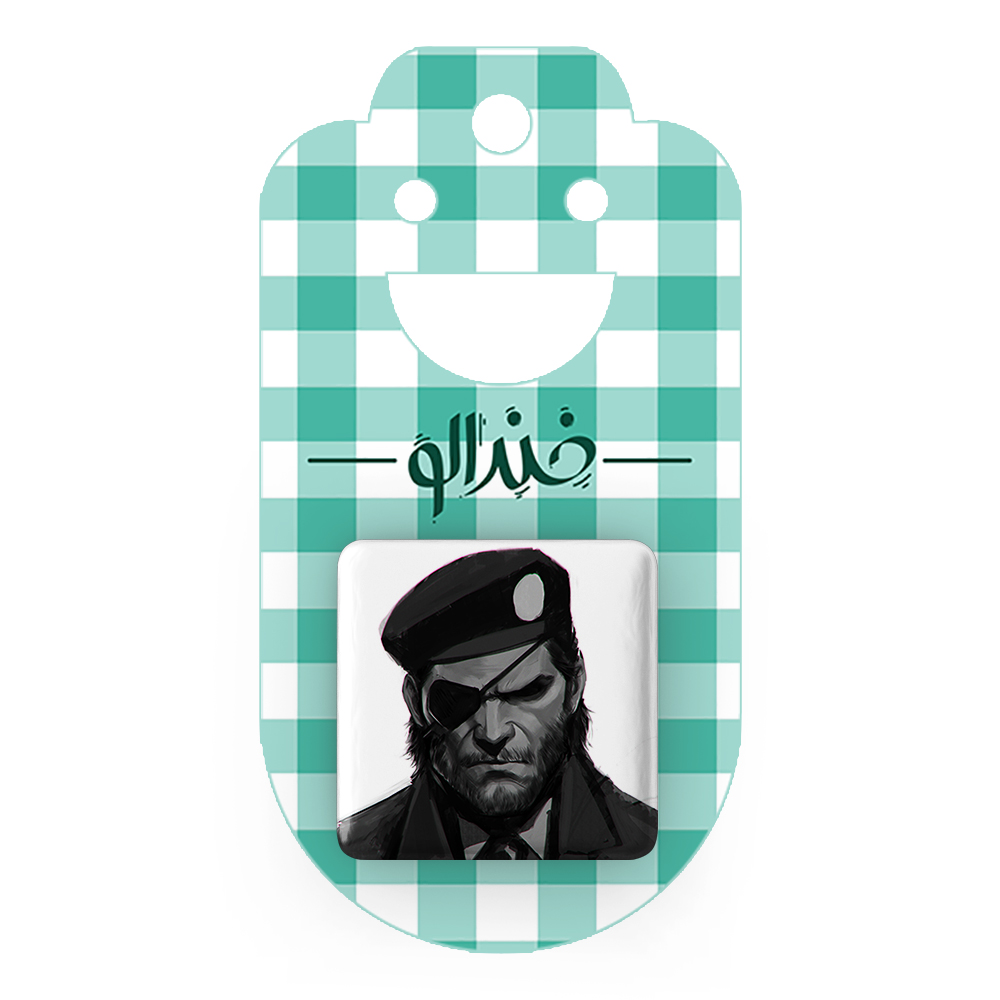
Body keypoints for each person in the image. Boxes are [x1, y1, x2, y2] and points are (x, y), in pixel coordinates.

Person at [337, 548, 657, 861]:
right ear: (415, 703)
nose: (492, 733)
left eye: (527, 691)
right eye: (456, 700)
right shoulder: (361, 852)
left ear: (573, 687)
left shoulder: (647, 843)